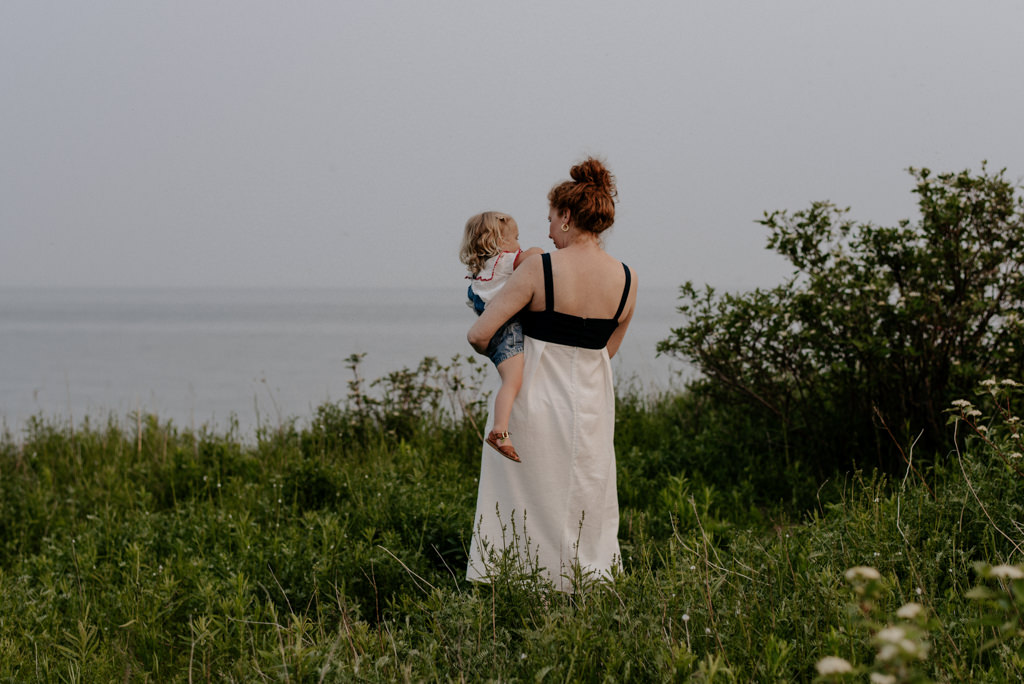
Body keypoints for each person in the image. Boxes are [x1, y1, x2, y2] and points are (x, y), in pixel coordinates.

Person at [465, 158, 638, 592]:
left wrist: (514, 357)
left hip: (534, 398)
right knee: (586, 493)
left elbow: (479, 333)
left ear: (566, 215)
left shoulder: (538, 269)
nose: (547, 232)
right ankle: (586, 587)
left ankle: (523, 590)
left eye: (550, 221)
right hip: (593, 403)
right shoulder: (628, 278)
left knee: (526, 499)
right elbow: (607, 351)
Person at [459, 211, 544, 462]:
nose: (519, 243)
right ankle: (500, 432)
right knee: (513, 382)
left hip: (492, 327)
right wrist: (536, 249)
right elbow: (533, 258)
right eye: (516, 238)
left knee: (509, 380)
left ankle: (501, 429)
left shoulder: (481, 270)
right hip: (506, 329)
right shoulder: (506, 261)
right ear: (499, 242)